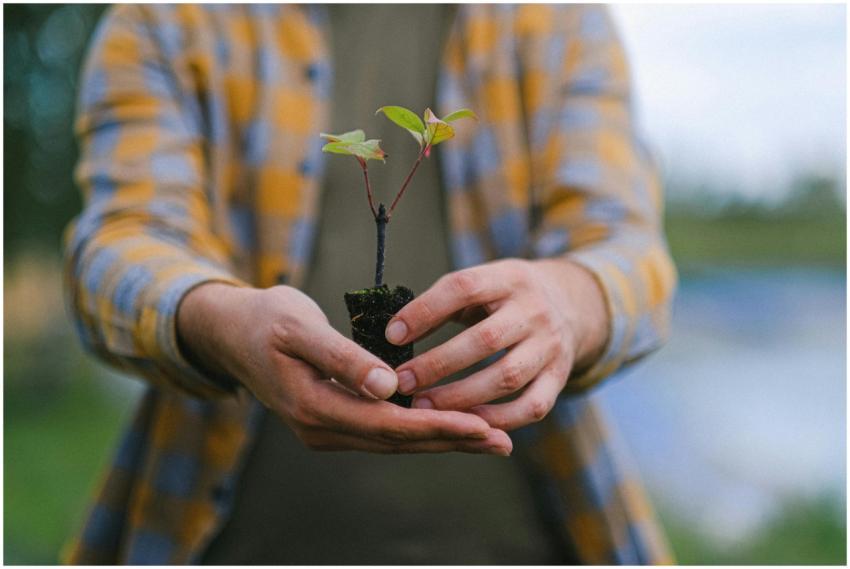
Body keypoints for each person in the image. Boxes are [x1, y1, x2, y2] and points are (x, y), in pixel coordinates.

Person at [62, 4, 677, 565]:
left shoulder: (554, 18)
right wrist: (217, 321)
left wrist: (568, 301)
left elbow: (629, 249)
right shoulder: (170, 16)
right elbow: (119, 243)